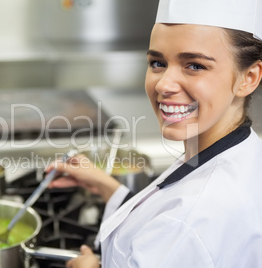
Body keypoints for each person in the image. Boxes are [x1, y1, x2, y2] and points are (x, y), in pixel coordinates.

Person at [46, 0, 262, 267]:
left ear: (248, 78)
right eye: (157, 62)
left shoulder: (191, 220)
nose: (164, 84)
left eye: (194, 65)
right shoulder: (239, 150)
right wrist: (109, 188)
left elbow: (179, 228)